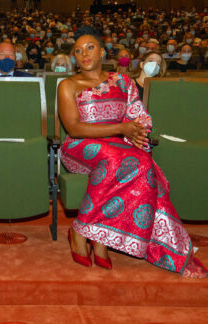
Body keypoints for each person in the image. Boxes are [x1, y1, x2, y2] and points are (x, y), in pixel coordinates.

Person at [58, 25, 206, 278]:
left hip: (118, 144)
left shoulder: (123, 81)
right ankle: (86, 233)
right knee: (115, 160)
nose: (84, 54)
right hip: (80, 146)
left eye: (90, 47)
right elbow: (74, 128)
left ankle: (95, 234)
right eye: (78, 50)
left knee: (144, 165)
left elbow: (139, 118)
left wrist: (136, 132)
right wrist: (122, 128)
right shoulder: (68, 85)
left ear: (102, 52)